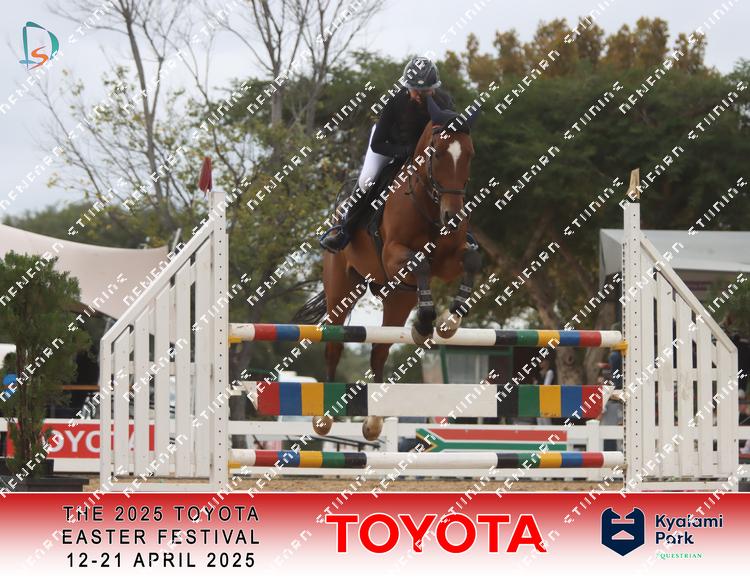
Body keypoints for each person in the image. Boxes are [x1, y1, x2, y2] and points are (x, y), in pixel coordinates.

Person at [320, 56, 455, 252]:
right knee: (367, 181)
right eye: (415, 90)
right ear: (407, 87)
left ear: (433, 88)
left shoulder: (444, 101)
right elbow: (377, 144)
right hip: (389, 145)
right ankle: (344, 231)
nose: (419, 95)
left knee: (452, 177)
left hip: (426, 152)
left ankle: (463, 233)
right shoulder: (395, 102)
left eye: (425, 91)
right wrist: (404, 152)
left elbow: (450, 135)